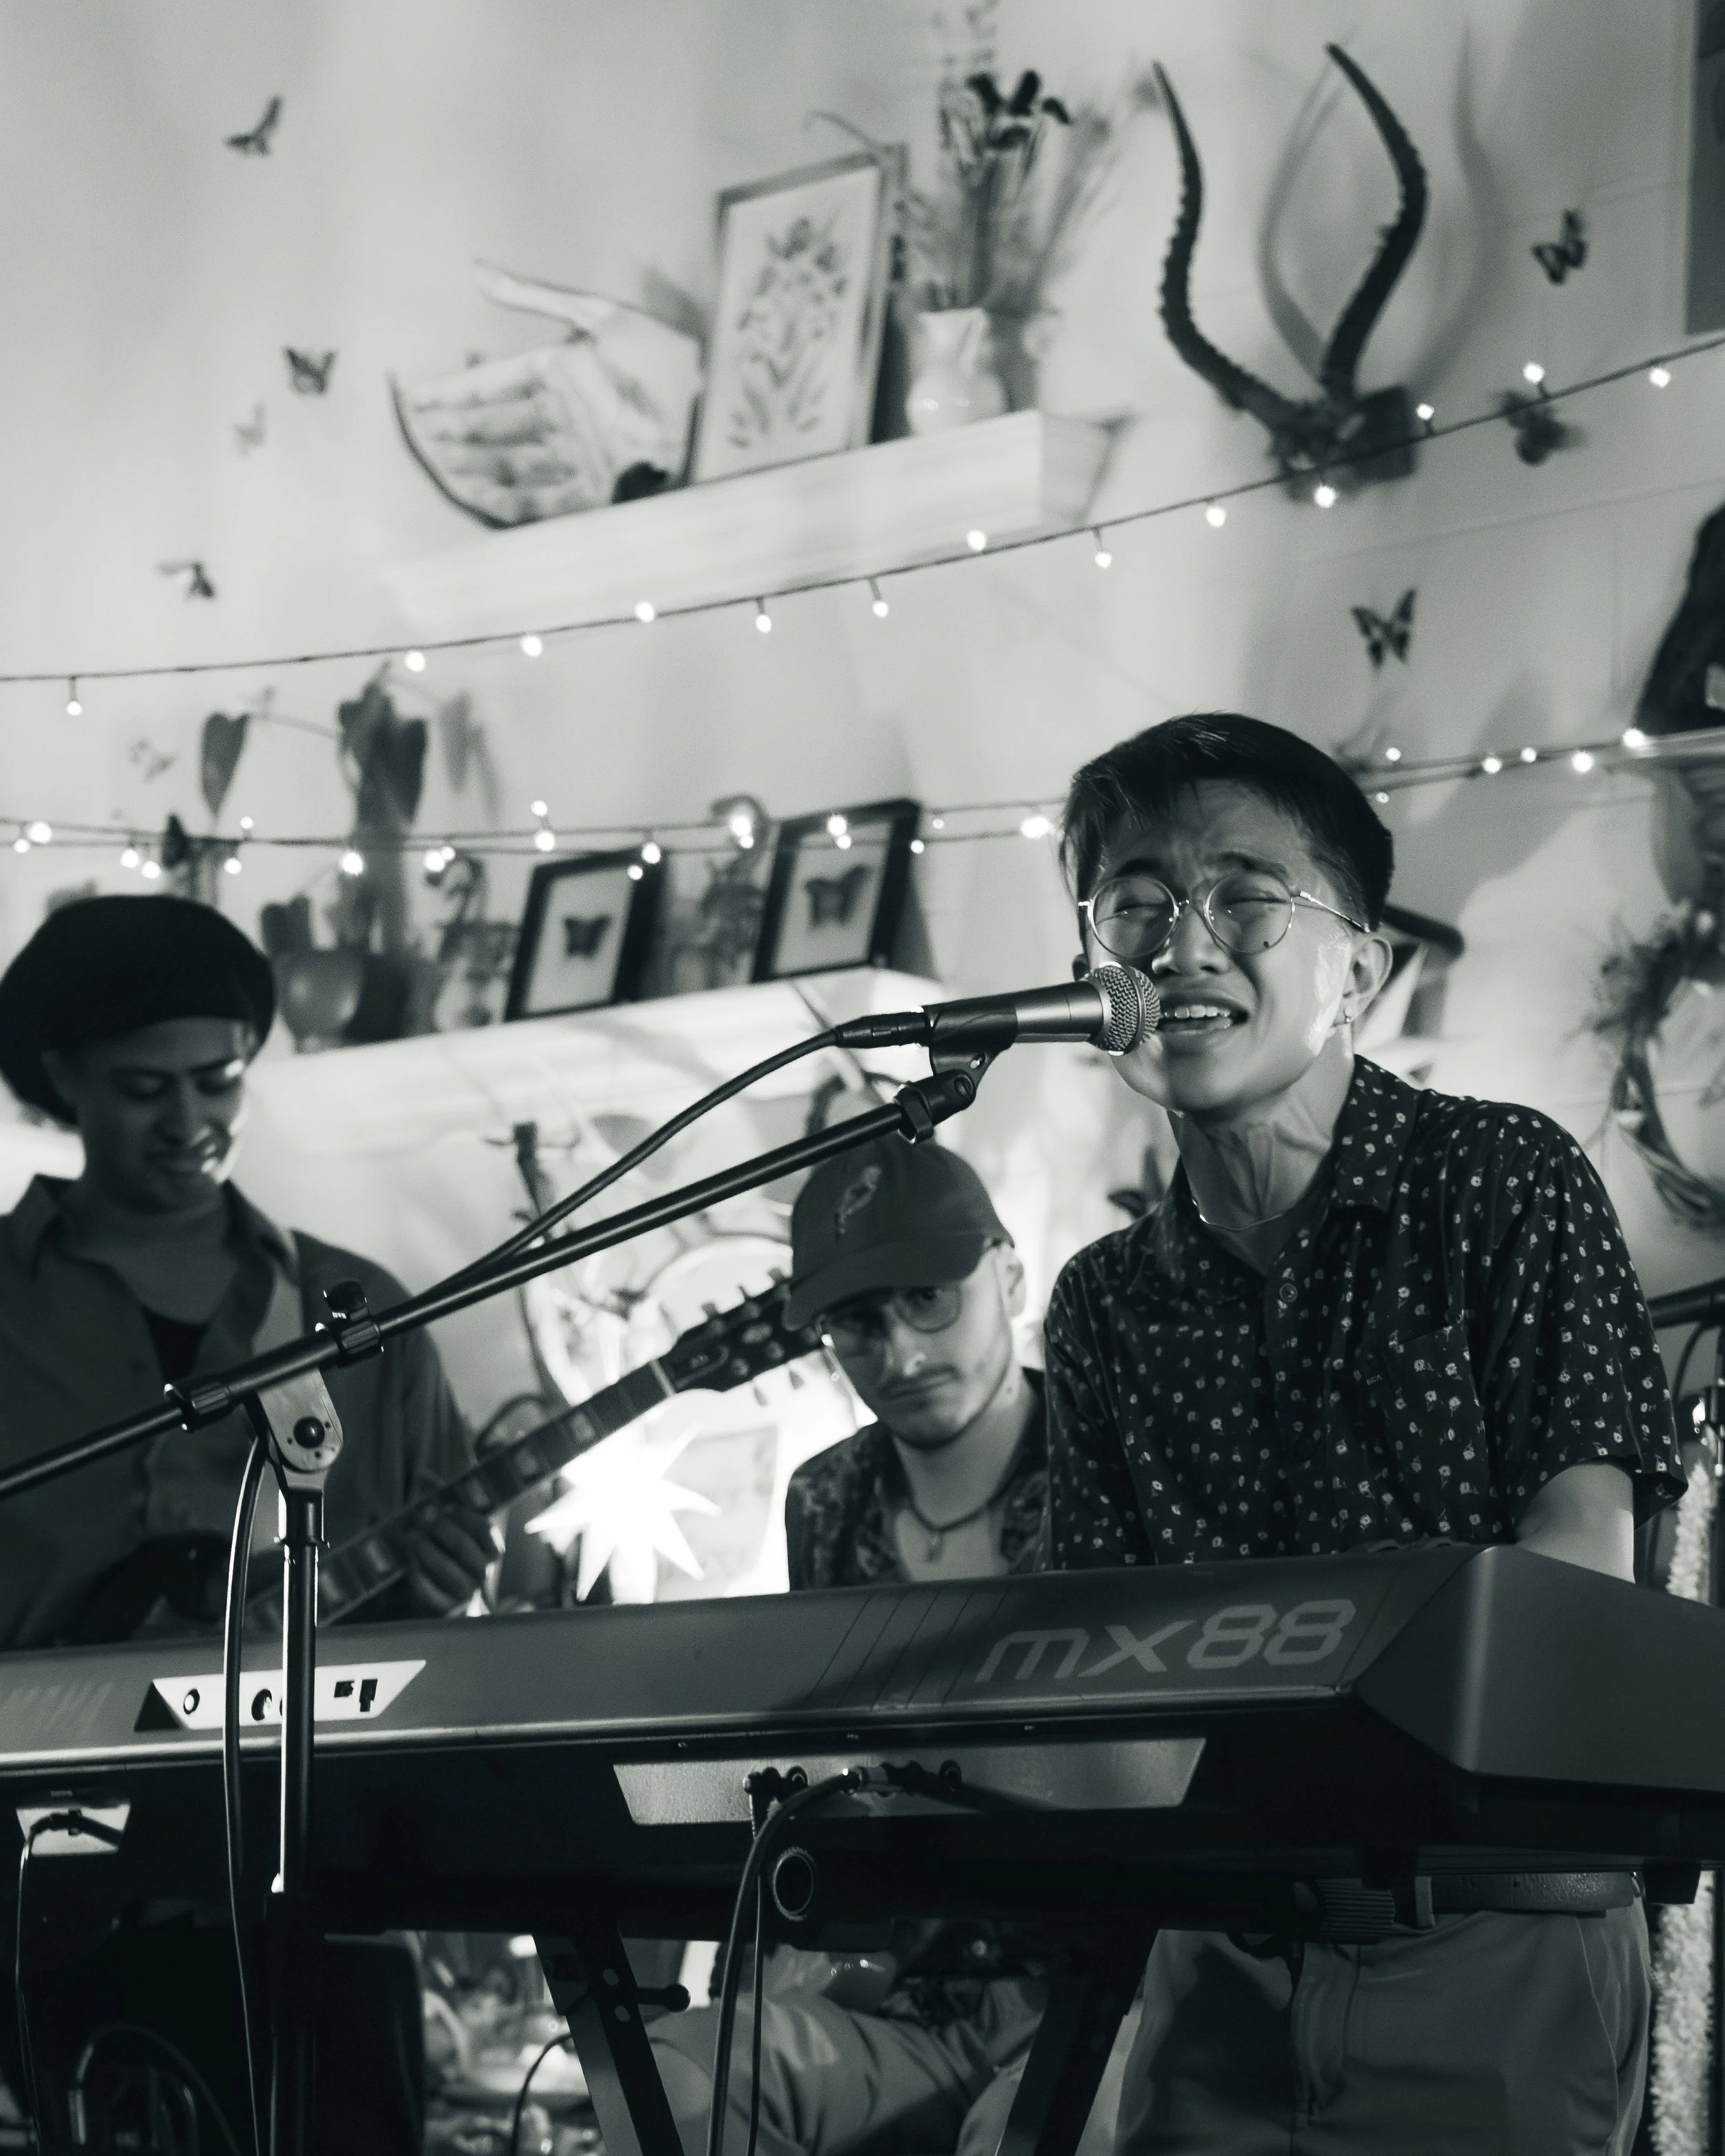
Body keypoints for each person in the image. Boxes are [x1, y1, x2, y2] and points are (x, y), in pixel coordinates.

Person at [1042, 713, 1685, 2156]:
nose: (1180, 943)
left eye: (1244, 897)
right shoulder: (1098, 1304)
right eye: (1134, 903)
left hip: (1488, 1935)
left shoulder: (1501, 1179)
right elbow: (1085, 1643)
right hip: (1214, 1958)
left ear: (1358, 967)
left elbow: (1575, 1579)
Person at [0, 894, 496, 2153]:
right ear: (61, 1079)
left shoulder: (355, 1315)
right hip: (36, 1895)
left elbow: (444, 1642)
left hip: (315, 1891)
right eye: (143, 1089)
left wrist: (447, 1598)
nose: (189, 1124)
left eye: (217, 1082)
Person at [650, 1136, 1046, 2156]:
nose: (902, 1356)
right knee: (665, 2079)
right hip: (893, 2000)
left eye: (930, 1301)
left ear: (1009, 1272)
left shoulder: (1109, 1453)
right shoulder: (825, 1498)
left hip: (1096, 1986)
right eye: (857, 1325)